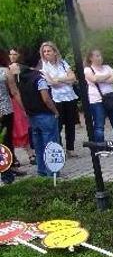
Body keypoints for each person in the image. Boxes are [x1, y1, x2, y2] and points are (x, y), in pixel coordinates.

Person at [17, 48, 60, 177]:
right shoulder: (39, 78)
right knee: (50, 144)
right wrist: (55, 110)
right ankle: (52, 171)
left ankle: (41, 170)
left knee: (38, 144)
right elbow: (46, 98)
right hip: (45, 114)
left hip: (32, 115)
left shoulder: (21, 78)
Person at [39, 41, 79, 158]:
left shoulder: (63, 63)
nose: (46, 53)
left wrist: (59, 79)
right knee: (58, 125)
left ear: (55, 52)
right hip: (56, 98)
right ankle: (59, 148)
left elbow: (73, 78)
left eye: (49, 51)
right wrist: (64, 79)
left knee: (71, 124)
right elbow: (51, 82)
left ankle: (70, 149)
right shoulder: (43, 66)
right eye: (44, 51)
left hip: (70, 96)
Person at [84, 49, 113, 145]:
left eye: (100, 56)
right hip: (97, 100)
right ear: (91, 58)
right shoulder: (88, 69)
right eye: (97, 56)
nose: (99, 58)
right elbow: (94, 79)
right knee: (99, 126)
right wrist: (108, 76)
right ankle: (100, 146)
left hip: (112, 98)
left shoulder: (107, 67)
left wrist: (101, 78)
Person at [0, 49, 26, 183]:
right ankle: (8, 169)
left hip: (5, 110)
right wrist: (24, 109)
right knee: (6, 140)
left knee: (5, 140)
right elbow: (15, 92)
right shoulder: (5, 72)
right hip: (5, 111)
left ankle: (8, 167)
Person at [8, 47, 34, 166]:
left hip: (17, 99)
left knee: (22, 127)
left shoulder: (23, 68)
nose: (12, 56)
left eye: (14, 54)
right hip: (7, 101)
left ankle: (30, 154)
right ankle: (13, 157)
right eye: (10, 54)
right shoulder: (6, 69)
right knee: (10, 130)